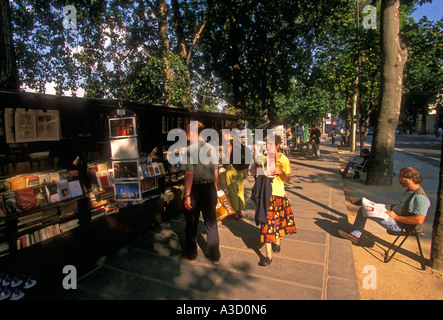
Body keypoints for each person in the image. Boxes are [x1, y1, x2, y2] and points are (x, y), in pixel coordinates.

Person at [339, 167, 430, 245]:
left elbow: (419, 220)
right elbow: (403, 206)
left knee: (365, 210)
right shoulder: (411, 190)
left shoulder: (420, 197)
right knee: (366, 208)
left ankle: (355, 235)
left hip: (400, 225)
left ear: (409, 179)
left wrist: (396, 217)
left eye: (401, 179)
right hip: (393, 214)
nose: (399, 181)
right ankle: (364, 205)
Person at [182, 121, 221, 264]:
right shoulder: (212, 148)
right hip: (210, 188)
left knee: (192, 222)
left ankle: (191, 254)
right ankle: (215, 256)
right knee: (211, 222)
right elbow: (216, 171)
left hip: (194, 190)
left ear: (192, 133)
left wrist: (187, 195)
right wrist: (215, 186)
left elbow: (189, 174)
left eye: (187, 133)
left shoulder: (189, 150)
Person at [254, 135, 296, 266]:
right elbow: (255, 173)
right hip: (265, 195)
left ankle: (277, 240)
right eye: (267, 144)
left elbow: (288, 178)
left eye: (271, 144)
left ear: (277, 145)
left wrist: (280, 172)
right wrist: (262, 172)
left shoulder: (284, 160)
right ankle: (268, 256)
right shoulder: (263, 157)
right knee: (266, 224)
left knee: (277, 222)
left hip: (279, 195)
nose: (269, 147)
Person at [222, 130, 245, 219]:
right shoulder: (238, 142)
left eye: (224, 135)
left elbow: (227, 157)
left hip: (231, 168)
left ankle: (235, 212)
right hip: (239, 168)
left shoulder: (229, 143)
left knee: (232, 190)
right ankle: (240, 211)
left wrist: (224, 164)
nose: (223, 137)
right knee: (240, 189)